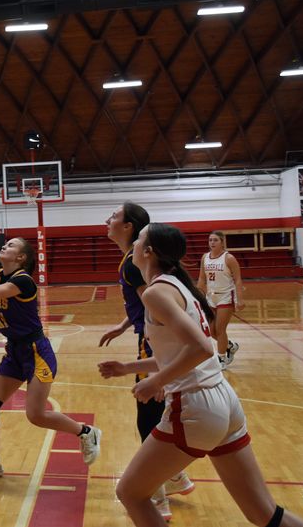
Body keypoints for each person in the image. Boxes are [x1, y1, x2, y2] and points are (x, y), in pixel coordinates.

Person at [99, 223, 303, 527]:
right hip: (223, 401)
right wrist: (128, 368)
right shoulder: (177, 284)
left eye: (139, 239)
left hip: (194, 406)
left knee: (130, 493)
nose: (133, 244)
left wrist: (155, 381)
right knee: (264, 513)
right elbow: (185, 354)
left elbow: (201, 348)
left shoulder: (156, 292)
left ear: (148, 252)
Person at [0, 238, 101, 477]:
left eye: (11, 245)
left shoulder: (23, 280)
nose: (4, 246)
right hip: (14, 352)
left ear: (21, 258)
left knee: (36, 414)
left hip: (36, 353)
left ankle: (85, 432)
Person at [99, 202, 193, 518]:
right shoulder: (131, 261)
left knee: (148, 417)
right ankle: (176, 477)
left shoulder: (132, 263)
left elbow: (155, 306)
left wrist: (161, 365)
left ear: (128, 227)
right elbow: (146, 304)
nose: (108, 220)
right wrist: (124, 324)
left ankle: (157, 495)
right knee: (154, 414)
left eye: (114, 216)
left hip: (152, 343)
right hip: (149, 340)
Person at [197, 231, 244, 370]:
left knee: (220, 329)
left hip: (225, 296)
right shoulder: (205, 257)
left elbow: (238, 279)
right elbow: (201, 278)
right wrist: (198, 295)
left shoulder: (229, 258)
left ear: (222, 242)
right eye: (210, 240)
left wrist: (240, 299)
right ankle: (230, 346)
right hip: (210, 297)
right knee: (211, 331)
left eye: (215, 240)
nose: (212, 242)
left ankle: (222, 358)